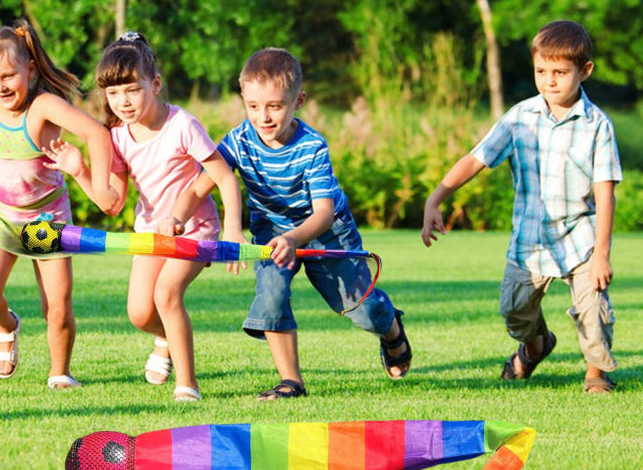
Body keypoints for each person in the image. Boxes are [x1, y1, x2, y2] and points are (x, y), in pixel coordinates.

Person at [179, 47, 411, 400]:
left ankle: (391, 329)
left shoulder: (312, 146)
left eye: (275, 106)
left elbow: (323, 212)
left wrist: (292, 237)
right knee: (271, 295)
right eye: (254, 106)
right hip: (270, 231)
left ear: (298, 100)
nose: (264, 117)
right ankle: (292, 382)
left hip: (326, 230)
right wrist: (176, 217)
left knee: (363, 311)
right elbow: (200, 185)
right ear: (243, 98)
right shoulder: (238, 141)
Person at [422, 20, 622, 394]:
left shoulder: (598, 125)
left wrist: (602, 254)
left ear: (585, 71)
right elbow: (476, 159)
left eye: (560, 73)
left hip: (580, 240)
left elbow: (605, 192)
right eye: (541, 71)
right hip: (530, 241)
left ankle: (596, 373)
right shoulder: (520, 117)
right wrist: (436, 197)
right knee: (515, 313)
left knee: (593, 311)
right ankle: (535, 347)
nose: (549, 81)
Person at [44, 32, 243, 402]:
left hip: (196, 230)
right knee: (138, 313)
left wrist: (232, 227)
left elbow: (223, 176)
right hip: (151, 231)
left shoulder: (181, 124)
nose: (123, 101)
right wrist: (79, 171)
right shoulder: (117, 136)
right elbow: (112, 203)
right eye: (114, 94)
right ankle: (167, 338)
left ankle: (187, 386)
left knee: (167, 295)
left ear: (154, 84)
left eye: (132, 90)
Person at [0, 19, 118, 388]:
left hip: (43, 221)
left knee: (56, 309)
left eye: (8, 76)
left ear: (29, 70)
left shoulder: (43, 107)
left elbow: (96, 133)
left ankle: (60, 373)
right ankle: (6, 324)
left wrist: (103, 186)